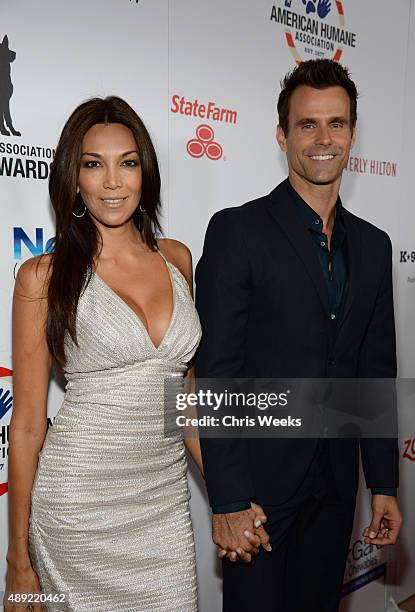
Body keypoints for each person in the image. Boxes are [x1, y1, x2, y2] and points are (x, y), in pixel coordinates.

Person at [195, 59, 403, 612]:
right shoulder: (238, 231)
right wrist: (230, 499)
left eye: (336, 124)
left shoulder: (374, 245)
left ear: (353, 134)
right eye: (307, 124)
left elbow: (373, 369)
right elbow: (217, 372)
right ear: (282, 134)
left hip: (336, 490)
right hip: (259, 495)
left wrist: (384, 482)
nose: (323, 138)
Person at [5, 96, 204, 612]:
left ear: (146, 174)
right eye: (94, 164)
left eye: (128, 162)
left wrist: (230, 497)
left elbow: (186, 403)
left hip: (162, 507)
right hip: (76, 509)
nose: (113, 182)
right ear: (74, 179)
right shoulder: (42, 279)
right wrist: (18, 564)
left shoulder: (178, 259)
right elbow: (27, 426)